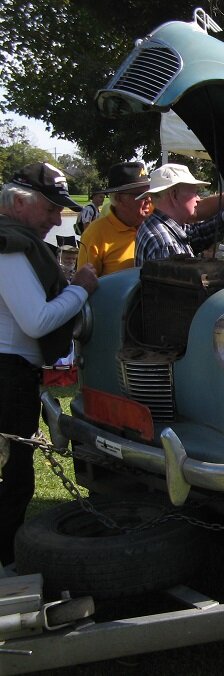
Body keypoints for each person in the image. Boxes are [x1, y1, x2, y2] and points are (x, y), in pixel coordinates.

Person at [0, 163, 98, 565]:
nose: (57, 219)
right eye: (49, 209)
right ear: (20, 204)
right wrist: (80, 289)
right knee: (14, 478)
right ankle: (5, 562)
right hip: (7, 375)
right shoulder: (9, 245)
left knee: (15, 475)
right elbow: (36, 320)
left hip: (13, 371)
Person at [134, 163, 224, 264]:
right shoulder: (167, 245)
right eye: (194, 193)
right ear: (174, 195)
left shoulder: (156, 222)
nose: (198, 199)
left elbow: (196, 234)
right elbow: (179, 281)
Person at [77, 162, 151, 276]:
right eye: (142, 195)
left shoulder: (156, 222)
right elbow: (85, 287)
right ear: (119, 198)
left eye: (150, 193)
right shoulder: (95, 234)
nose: (149, 199)